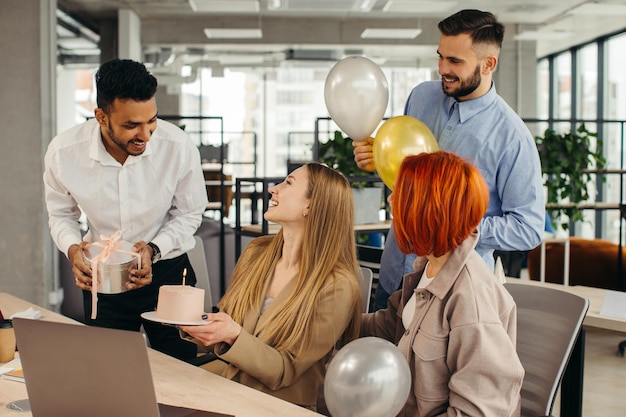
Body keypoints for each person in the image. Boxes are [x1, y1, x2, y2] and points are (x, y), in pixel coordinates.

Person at [353, 9, 545, 310]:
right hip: (394, 278)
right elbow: (405, 171)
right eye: (440, 56)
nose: (442, 68)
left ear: (488, 64)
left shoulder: (512, 137)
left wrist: (459, 226)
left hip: (451, 296)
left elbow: (528, 229)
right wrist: (376, 158)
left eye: (455, 61)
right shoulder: (421, 97)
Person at [43, 58, 208, 361]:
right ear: (101, 117)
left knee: (181, 371)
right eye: (131, 125)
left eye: (152, 121)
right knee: (108, 370)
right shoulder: (63, 153)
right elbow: (61, 214)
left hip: (168, 274)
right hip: (103, 278)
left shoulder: (178, 146)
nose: (145, 135)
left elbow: (188, 213)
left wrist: (154, 250)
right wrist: (72, 250)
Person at [180, 163, 362, 410]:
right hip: (229, 389)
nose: (273, 190)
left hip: (279, 406)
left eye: (288, 183)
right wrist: (198, 325)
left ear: (311, 204)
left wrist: (232, 335)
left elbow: (285, 371)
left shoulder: (337, 285)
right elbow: (229, 327)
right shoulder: (258, 253)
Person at [361, 151, 524, 416]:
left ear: (426, 209)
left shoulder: (469, 298)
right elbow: (391, 326)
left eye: (400, 194)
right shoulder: (428, 267)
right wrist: (333, 321)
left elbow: (478, 411)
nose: (390, 199)